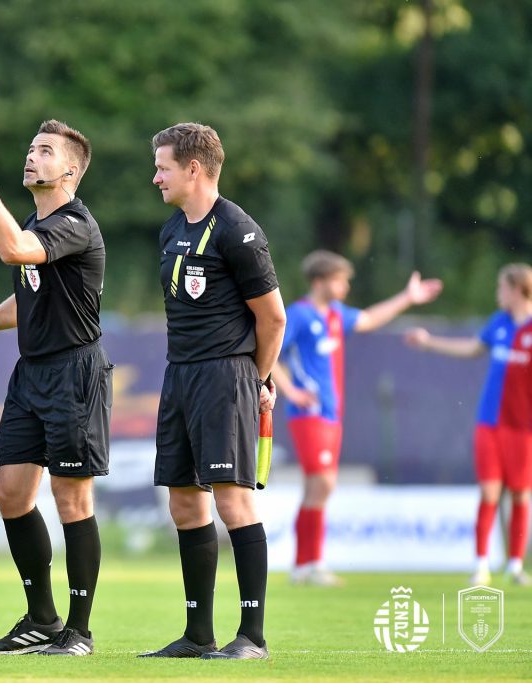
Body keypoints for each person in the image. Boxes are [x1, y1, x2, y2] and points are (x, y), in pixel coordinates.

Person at [0, 120, 111, 656]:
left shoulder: (75, 224)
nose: (31, 156)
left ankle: (79, 631)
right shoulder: (34, 223)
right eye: (30, 148)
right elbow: (28, 297)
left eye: (45, 151)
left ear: (70, 170)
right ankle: (42, 618)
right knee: (11, 493)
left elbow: (14, 251)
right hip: (32, 374)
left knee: (71, 496)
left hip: (74, 373)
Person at [139, 122, 285, 660]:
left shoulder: (238, 230)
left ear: (194, 169)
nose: (156, 178)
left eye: (164, 168)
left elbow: (273, 318)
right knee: (183, 502)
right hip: (180, 374)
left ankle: (252, 637)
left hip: (226, 377)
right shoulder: (171, 229)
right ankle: (198, 634)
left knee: (232, 500)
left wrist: (258, 379)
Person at [272, 251, 442, 586]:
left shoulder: (337, 315)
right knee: (323, 484)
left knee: (316, 488)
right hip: (309, 413)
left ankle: (303, 566)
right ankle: (312, 563)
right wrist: (290, 390)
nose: (345, 286)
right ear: (320, 281)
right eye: (340, 280)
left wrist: (407, 298)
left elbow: (370, 319)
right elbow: (270, 351)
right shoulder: (300, 315)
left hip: (331, 414)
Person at [405, 263, 532, 586]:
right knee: (490, 492)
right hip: (490, 422)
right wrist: (429, 342)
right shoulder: (499, 323)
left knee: (520, 494)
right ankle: (481, 564)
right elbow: (472, 348)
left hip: (523, 428)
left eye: (502, 287)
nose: (498, 293)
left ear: (517, 289)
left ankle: (515, 566)